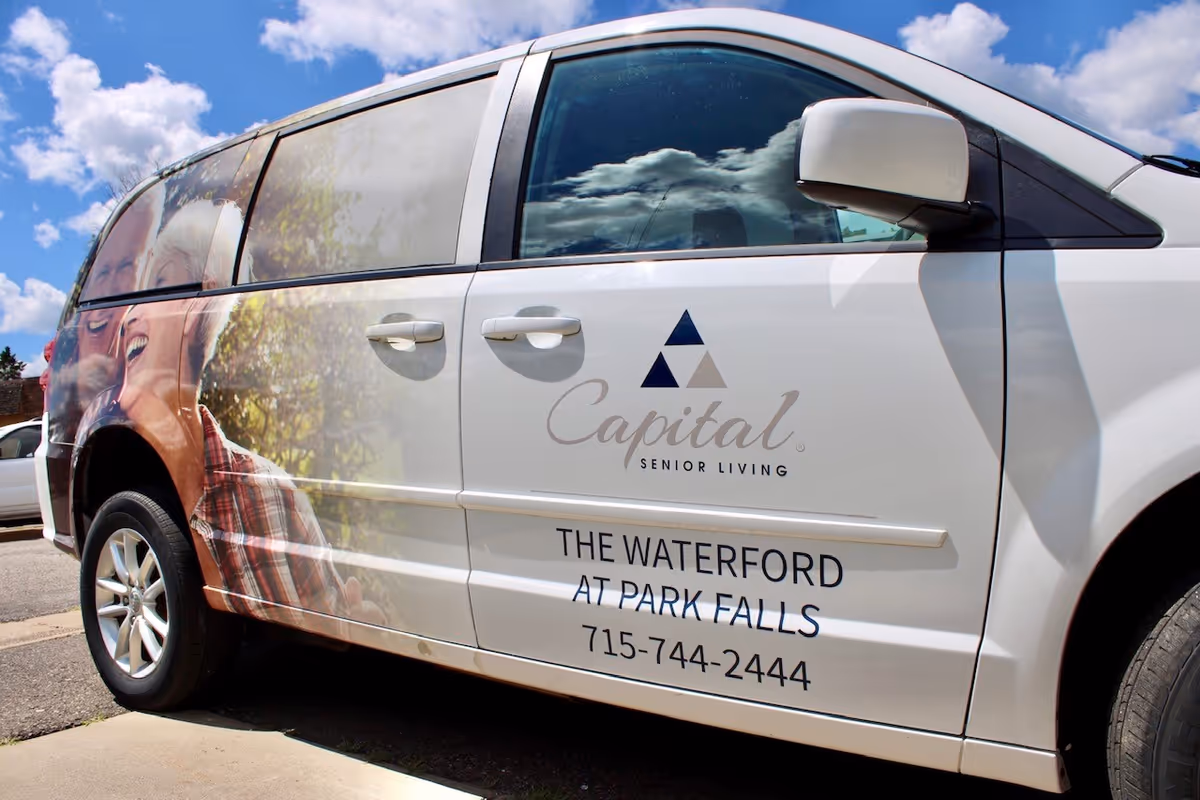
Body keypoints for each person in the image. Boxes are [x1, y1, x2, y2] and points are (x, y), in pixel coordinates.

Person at [115, 198, 386, 631]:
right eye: (133, 297)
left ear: (196, 307)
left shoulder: (273, 492)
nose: (128, 316)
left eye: (157, 287)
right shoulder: (134, 477)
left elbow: (337, 621)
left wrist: (360, 623)